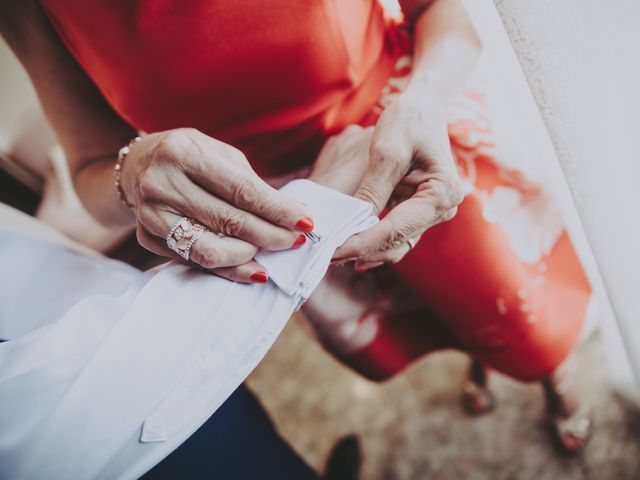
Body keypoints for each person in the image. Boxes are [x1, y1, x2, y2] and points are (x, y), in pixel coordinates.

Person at [0, 0, 591, 459]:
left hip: (410, 133)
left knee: (512, 306)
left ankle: (552, 377)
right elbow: (89, 171)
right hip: (282, 218)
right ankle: (481, 360)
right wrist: (135, 175)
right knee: (434, 320)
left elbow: (450, 10)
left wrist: (425, 99)